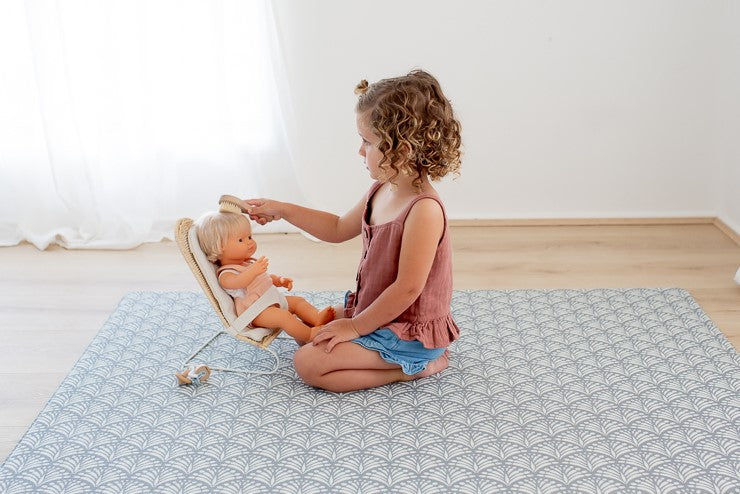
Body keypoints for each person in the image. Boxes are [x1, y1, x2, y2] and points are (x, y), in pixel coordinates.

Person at [233, 69, 461, 392]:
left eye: (367, 142)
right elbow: (337, 228)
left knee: (308, 363)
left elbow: (407, 289)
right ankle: (379, 348)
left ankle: (416, 368)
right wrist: (281, 209)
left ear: (402, 150)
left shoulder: (424, 210)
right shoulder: (383, 188)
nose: (360, 151)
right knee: (315, 326)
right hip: (381, 314)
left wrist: (355, 327)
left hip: (409, 331)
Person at [194, 209, 335, 344]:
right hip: (256, 313)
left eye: (249, 237)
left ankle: (316, 317)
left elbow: (262, 279)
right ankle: (309, 334)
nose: (249, 242)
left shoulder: (247, 263)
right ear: (219, 247)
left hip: (271, 300)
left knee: (298, 302)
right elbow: (236, 283)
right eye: (241, 240)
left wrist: (278, 280)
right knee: (284, 317)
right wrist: (253, 271)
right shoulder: (226, 273)